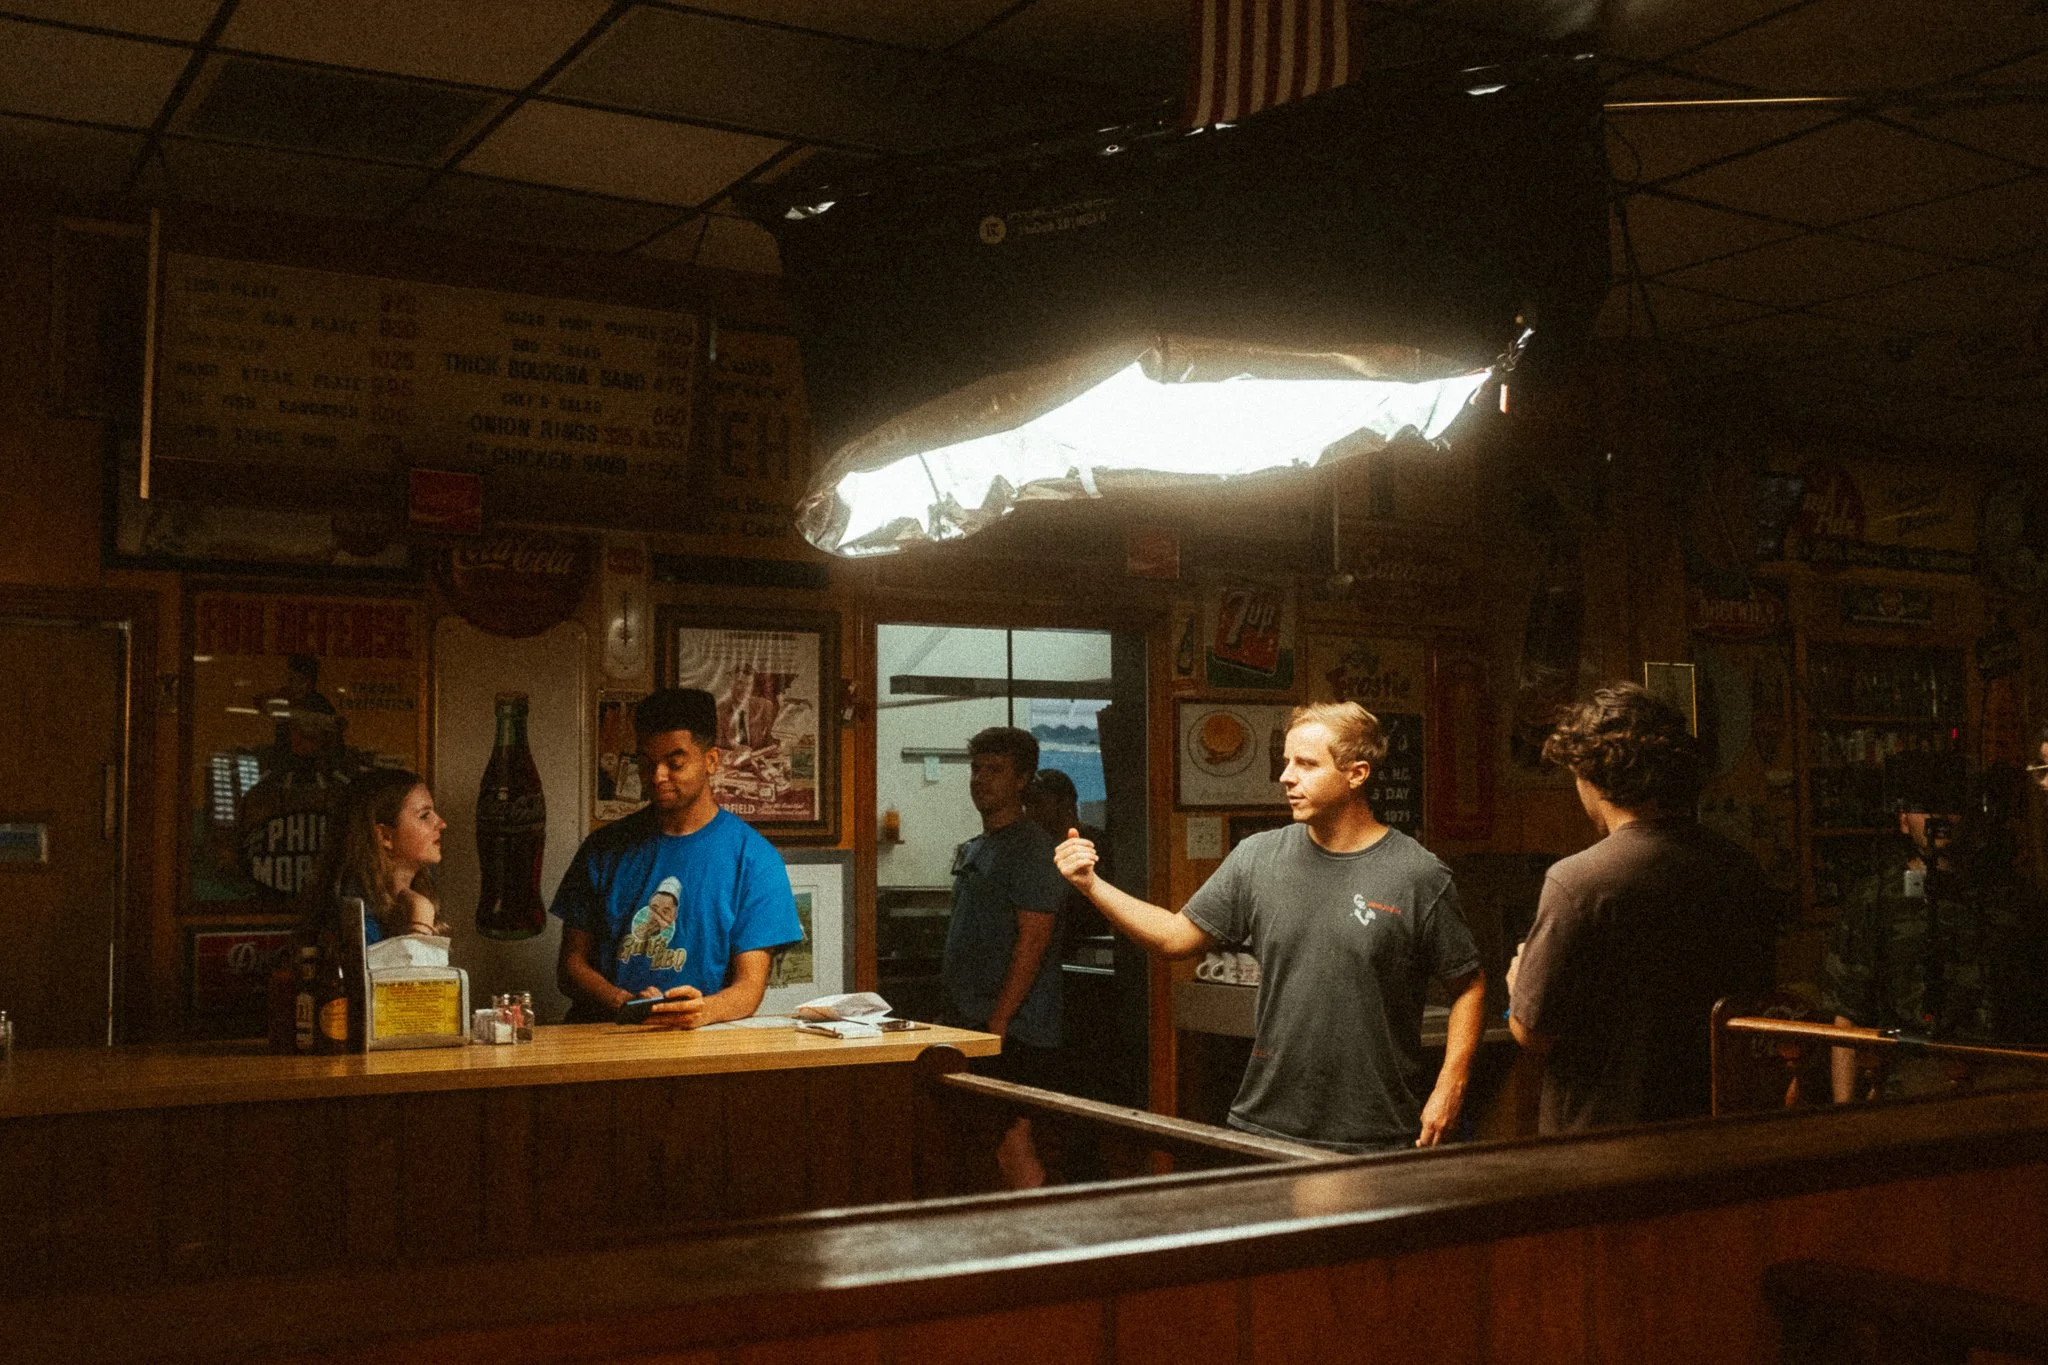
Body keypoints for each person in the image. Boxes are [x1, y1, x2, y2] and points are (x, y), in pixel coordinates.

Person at [1056, 701, 1485, 1153]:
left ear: (1357, 774)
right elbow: (1173, 937)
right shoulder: (1257, 858)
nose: (1286, 776)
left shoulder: (1417, 874)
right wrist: (1091, 885)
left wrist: (1449, 1086)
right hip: (1266, 1120)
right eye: (1286, 762)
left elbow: (1469, 985)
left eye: (1306, 764)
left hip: (1374, 1126)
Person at [1507, 683, 1776, 1134]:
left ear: (1593, 778)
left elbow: (1533, 1033)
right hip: (1717, 1132)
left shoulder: (1578, 880)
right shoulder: (1739, 868)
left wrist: (1519, 987)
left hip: (1605, 1141)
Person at [551, 688, 803, 1027]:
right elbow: (570, 967)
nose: (657, 777)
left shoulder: (755, 860)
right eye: (647, 763)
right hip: (603, 1039)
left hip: (697, 1050)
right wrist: (621, 1002)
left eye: (675, 763)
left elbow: (749, 988)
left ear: (711, 761)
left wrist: (700, 1011)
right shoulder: (603, 848)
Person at [1823, 752, 2048, 1101]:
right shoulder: (1877, 898)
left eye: (1950, 804)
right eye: (1925, 806)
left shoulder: (2013, 896)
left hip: (2005, 1081)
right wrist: (1843, 1116)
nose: (1939, 817)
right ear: (1903, 820)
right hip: (1914, 1083)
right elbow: (1847, 1015)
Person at [943, 726, 1070, 1187]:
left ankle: (1042, 1251)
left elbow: (1033, 941)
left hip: (1014, 1031)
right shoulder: (978, 847)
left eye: (994, 770)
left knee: (1012, 1143)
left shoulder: (1032, 848)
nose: (980, 779)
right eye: (976, 769)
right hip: (973, 1023)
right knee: (984, 1144)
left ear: (1022, 780)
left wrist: (999, 1020)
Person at [311, 766, 448, 943]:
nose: (441, 824)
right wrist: (420, 918)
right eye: (424, 816)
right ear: (385, 836)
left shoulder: (414, 896)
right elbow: (408, 972)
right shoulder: (355, 918)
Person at [1023, 768, 1113, 948]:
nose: (1030, 811)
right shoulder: (1031, 848)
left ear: (1066, 805)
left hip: (1091, 944)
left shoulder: (1097, 846)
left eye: (1038, 803)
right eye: (1028, 804)